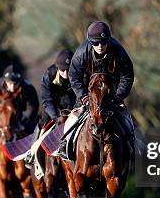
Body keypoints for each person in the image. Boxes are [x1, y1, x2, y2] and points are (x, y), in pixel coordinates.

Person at [56, 21, 135, 158]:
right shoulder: (81, 53)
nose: (100, 46)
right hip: (88, 91)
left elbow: (127, 77)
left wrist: (117, 97)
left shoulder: (118, 51)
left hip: (111, 91)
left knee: (125, 117)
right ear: (90, 41)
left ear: (108, 40)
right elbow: (74, 77)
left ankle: (132, 145)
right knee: (74, 116)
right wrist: (84, 97)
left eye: (104, 42)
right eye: (96, 43)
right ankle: (65, 143)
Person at [0, 63, 39, 185]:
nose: (13, 86)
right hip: (0, 117)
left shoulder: (28, 88)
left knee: (34, 136)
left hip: (21, 117)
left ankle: (38, 165)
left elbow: (33, 106)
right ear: (5, 80)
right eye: (10, 83)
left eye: (15, 83)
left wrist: (25, 119)